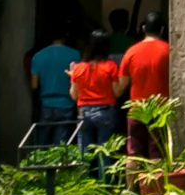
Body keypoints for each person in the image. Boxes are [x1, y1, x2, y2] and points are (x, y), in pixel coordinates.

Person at [120, 13, 171, 156]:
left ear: (143, 29)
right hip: (160, 109)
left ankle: (131, 179)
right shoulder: (169, 50)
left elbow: (120, 87)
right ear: (162, 30)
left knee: (133, 154)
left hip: (137, 109)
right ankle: (156, 179)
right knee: (157, 153)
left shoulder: (131, 52)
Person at [68, 34, 128, 150]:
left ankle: (84, 169)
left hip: (83, 112)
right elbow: (117, 92)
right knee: (104, 152)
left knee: (84, 154)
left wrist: (72, 76)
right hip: (105, 112)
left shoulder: (78, 68)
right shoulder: (110, 66)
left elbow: (74, 95)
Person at [29, 26, 83, 149]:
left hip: (46, 104)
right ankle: (59, 168)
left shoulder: (38, 56)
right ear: (64, 38)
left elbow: (34, 85)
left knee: (42, 144)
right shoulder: (75, 55)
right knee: (61, 146)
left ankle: (41, 167)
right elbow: (79, 80)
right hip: (66, 104)